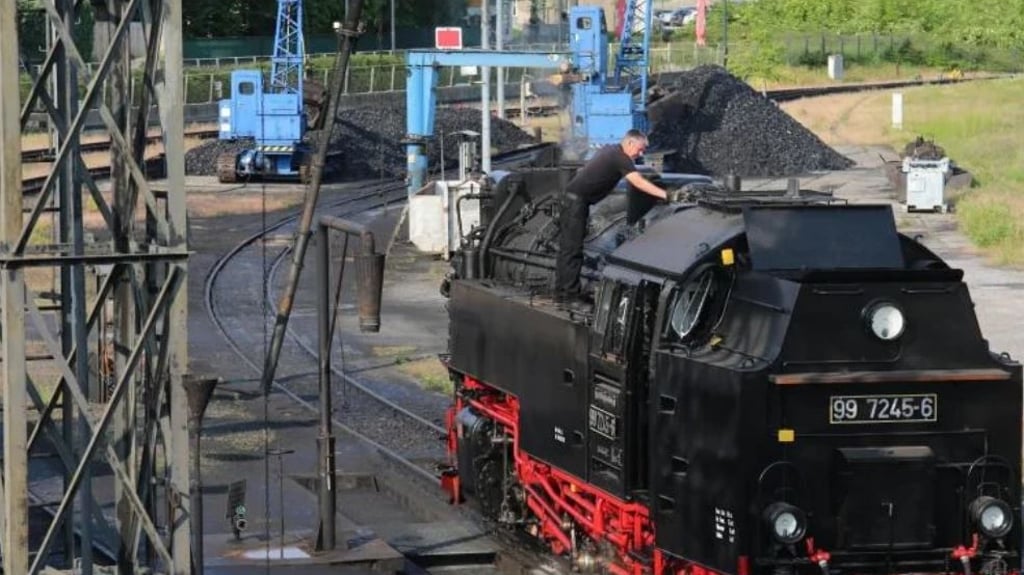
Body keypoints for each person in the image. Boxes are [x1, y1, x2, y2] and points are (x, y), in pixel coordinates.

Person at [555, 129, 669, 302]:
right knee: (573, 250)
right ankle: (569, 295)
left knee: (568, 249)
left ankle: (562, 291)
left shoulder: (610, 150)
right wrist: (665, 195)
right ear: (630, 143)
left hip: (572, 200)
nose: (640, 154)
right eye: (640, 149)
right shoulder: (620, 157)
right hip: (575, 204)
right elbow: (637, 181)